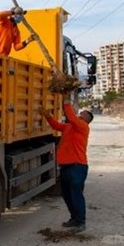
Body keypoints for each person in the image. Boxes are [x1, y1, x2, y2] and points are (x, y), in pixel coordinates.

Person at [41, 99, 94, 233]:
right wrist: (48, 116)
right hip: (66, 166)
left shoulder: (83, 127)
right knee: (67, 195)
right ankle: (74, 218)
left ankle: (81, 222)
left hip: (78, 166)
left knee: (76, 194)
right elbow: (57, 126)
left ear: (87, 119)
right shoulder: (70, 127)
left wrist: (66, 102)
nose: (80, 114)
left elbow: (71, 116)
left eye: (83, 113)